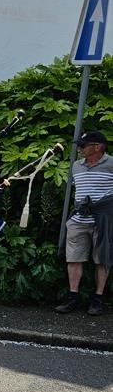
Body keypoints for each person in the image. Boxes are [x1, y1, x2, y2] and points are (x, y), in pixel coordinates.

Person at [55, 130, 112, 316]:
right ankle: (73, 296)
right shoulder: (76, 166)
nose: (79, 149)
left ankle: (98, 298)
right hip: (79, 218)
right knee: (73, 258)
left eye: (83, 146)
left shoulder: (111, 164)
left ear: (97, 147)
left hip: (102, 219)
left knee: (101, 259)